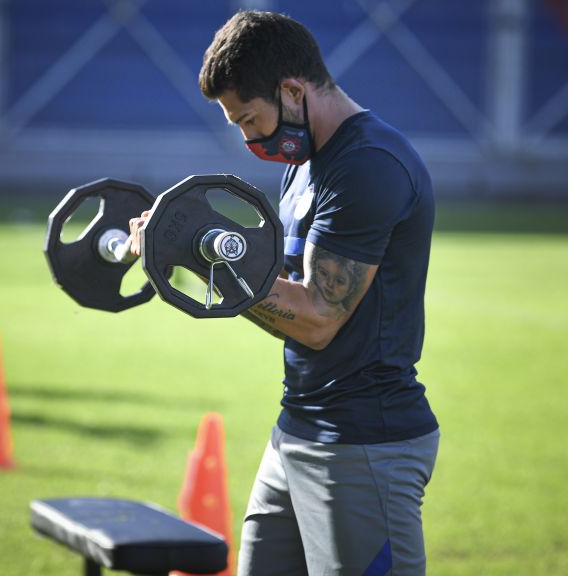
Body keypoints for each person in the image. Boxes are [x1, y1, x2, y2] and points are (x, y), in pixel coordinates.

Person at [131, 9, 439, 576]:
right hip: (298, 424)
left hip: (363, 441)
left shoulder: (368, 164)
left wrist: (202, 258)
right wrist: (182, 241)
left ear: (292, 90)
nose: (249, 139)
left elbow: (319, 317)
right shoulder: (305, 162)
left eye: (249, 119)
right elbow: (283, 279)